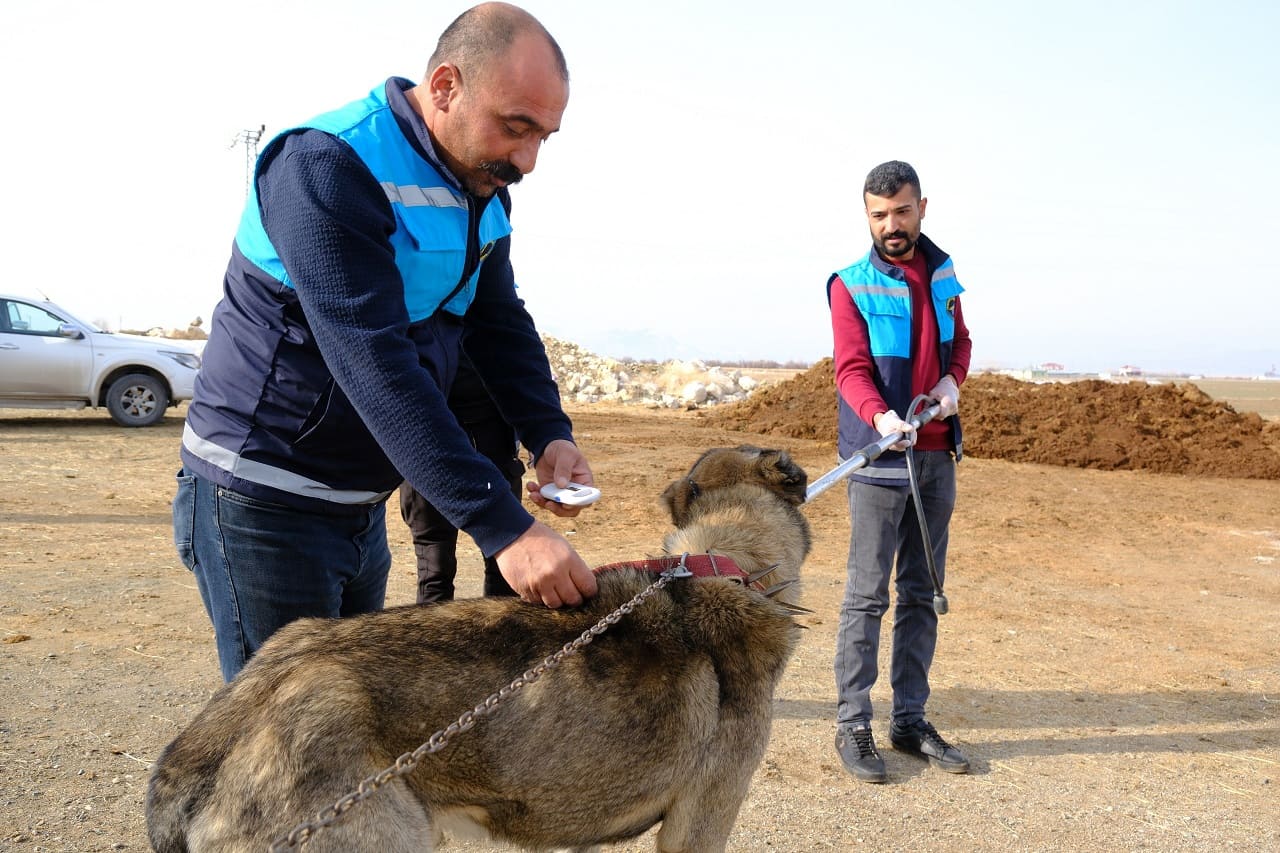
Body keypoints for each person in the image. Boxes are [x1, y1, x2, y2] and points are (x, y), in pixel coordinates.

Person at [173, 2, 598, 682]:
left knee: (346, 725)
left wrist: (548, 432)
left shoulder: (479, 185)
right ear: (444, 88)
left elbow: (496, 320)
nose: (528, 160)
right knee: (288, 744)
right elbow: (373, 359)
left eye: (544, 136)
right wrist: (507, 530)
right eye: (516, 129)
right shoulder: (324, 166)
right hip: (264, 500)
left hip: (356, 508)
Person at [825, 160, 973, 783]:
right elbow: (850, 369)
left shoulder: (942, 273)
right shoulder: (850, 284)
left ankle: (909, 720)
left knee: (921, 595)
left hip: (936, 459)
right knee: (866, 598)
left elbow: (960, 340)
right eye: (879, 214)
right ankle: (852, 723)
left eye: (902, 211)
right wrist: (880, 417)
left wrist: (950, 382)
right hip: (881, 462)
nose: (892, 224)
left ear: (922, 208)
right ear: (867, 216)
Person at [399, 352, 521, 603]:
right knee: (436, 568)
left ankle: (499, 640)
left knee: (500, 567)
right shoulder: (423, 325)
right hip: (436, 455)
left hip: (477, 452)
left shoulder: (422, 326)